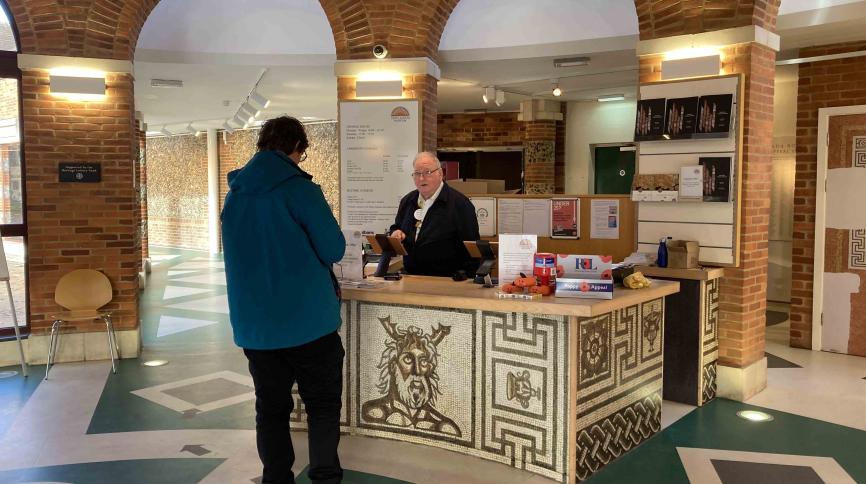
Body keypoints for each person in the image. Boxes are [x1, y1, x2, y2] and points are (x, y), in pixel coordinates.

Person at [221, 116, 346, 484]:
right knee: (322, 406)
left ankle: (276, 479)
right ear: (297, 149)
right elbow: (334, 248)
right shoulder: (300, 189)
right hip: (309, 324)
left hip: (255, 327)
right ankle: (324, 478)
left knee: (270, 409)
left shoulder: (235, 193)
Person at [389, 152, 480, 276]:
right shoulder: (407, 201)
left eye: (427, 172)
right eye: (417, 173)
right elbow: (397, 227)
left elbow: (472, 248)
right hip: (411, 276)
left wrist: (464, 280)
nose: (421, 178)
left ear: (440, 174)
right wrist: (395, 232)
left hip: (446, 280)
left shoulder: (460, 204)